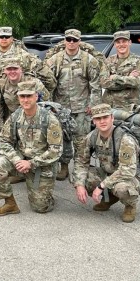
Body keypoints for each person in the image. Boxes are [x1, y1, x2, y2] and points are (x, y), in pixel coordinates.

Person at [0, 82, 63, 215]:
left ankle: (46, 194)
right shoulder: (15, 117)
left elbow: (55, 150)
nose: (25, 100)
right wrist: (17, 160)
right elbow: (3, 141)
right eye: (22, 96)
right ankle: (10, 204)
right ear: (18, 98)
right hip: (20, 159)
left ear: (36, 96)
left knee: (41, 207)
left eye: (29, 96)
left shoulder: (49, 119)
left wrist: (31, 163)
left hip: (41, 164)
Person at [44, 28, 101, 181]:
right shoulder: (55, 59)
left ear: (79, 41)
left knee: (82, 141)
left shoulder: (88, 60)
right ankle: (64, 167)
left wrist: (93, 105)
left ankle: (80, 169)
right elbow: (48, 83)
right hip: (61, 108)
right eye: (68, 39)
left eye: (74, 40)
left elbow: (95, 85)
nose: (71, 42)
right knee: (62, 139)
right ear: (64, 41)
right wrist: (50, 105)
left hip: (82, 108)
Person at [73, 103, 140, 223]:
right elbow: (81, 162)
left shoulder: (125, 139)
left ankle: (130, 206)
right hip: (108, 172)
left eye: (105, 117)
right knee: (82, 178)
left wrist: (101, 186)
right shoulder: (92, 136)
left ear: (112, 118)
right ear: (93, 121)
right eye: (98, 118)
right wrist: (79, 185)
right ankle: (109, 198)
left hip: (130, 177)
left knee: (122, 188)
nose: (102, 121)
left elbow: (127, 171)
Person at [100, 30, 140, 193]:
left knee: (138, 142)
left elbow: (137, 82)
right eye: (118, 42)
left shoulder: (138, 61)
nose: (121, 45)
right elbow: (103, 82)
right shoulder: (108, 61)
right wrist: (126, 78)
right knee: (110, 142)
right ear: (115, 44)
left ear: (129, 42)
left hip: (130, 110)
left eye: (124, 41)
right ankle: (112, 173)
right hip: (110, 109)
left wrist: (115, 77)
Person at [0, 26, 56, 94]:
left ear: (12, 39)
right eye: (1, 37)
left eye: (7, 37)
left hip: (16, 98)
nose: (4, 39)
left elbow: (48, 77)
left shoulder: (23, 55)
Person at [0, 58, 50, 131]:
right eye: (9, 69)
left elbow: (47, 102)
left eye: (15, 69)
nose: (12, 72)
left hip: (35, 119)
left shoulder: (34, 82)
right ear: (4, 71)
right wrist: (4, 128)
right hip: (13, 119)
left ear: (21, 69)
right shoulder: (0, 85)